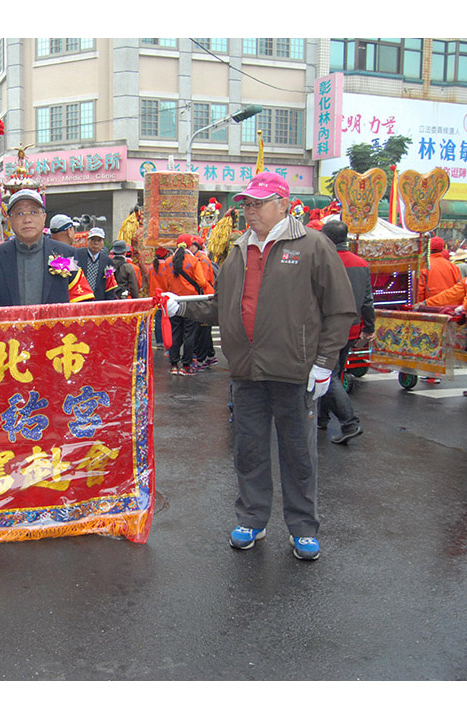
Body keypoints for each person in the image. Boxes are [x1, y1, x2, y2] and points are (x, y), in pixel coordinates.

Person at [167, 172, 356, 561]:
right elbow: (221, 306)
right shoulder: (237, 250)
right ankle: (252, 519)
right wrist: (181, 305)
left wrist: (324, 363)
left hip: (294, 371)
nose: (249, 211)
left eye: (257, 203)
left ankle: (303, 527)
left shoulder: (313, 246)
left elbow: (340, 310)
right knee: (249, 450)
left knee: (298, 453)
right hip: (246, 372)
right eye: (246, 204)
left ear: (283, 204)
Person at [317, 220, 375, 444]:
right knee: (335, 371)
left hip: (326, 330)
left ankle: (349, 422)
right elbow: (368, 301)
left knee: (327, 374)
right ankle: (322, 417)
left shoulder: (324, 261)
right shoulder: (361, 263)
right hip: (350, 329)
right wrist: (368, 328)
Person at [0, 189, 76, 308]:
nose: (27, 220)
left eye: (33, 212)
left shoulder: (67, 253)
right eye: (20, 214)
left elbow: (81, 304)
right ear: (10, 220)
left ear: (44, 217)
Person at [165, 242, 208, 375]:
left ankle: (173, 364)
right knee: (189, 334)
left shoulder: (167, 261)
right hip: (191, 302)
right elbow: (201, 282)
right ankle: (186, 366)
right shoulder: (194, 261)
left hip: (174, 302)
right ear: (190, 247)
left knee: (175, 333)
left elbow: (165, 283)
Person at [189, 236, 218, 369]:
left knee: (203, 329)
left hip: (204, 296)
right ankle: (210, 355)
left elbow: (203, 281)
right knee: (204, 329)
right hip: (202, 296)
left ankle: (201, 359)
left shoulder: (201, 259)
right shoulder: (197, 258)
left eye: (191, 246)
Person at [415, 236, 461, 302]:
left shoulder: (423, 266)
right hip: (449, 308)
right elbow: (459, 289)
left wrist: (419, 306)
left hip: (430, 307)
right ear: (442, 249)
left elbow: (419, 291)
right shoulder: (453, 267)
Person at [74, 227, 112, 302]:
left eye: (99, 240)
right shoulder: (77, 255)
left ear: (103, 242)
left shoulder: (107, 260)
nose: (96, 243)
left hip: (99, 301)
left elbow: (109, 284)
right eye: (93, 239)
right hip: (80, 299)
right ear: (88, 241)